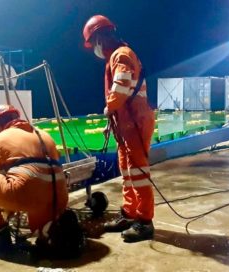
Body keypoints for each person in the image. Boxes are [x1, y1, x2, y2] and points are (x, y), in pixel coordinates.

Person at [82, 15, 155, 242]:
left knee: (138, 174)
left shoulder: (121, 55)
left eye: (93, 42)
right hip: (126, 125)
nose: (95, 48)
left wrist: (109, 107)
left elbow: (121, 87)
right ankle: (130, 213)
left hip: (135, 123)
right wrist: (109, 122)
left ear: (100, 38)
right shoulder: (117, 55)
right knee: (127, 172)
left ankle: (144, 221)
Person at [0, 104, 69, 248]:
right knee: (39, 196)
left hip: (26, 195)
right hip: (59, 197)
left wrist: (8, 211)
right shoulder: (44, 134)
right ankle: (46, 230)